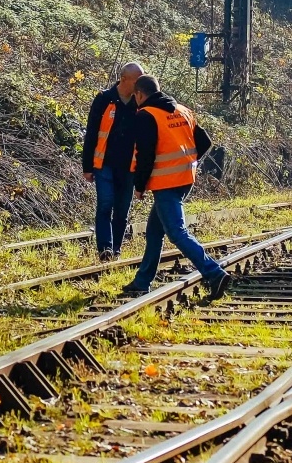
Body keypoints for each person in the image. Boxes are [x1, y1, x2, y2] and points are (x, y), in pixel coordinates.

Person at [123, 75, 232, 297]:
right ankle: (142, 281)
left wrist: (139, 185)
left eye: (136, 96)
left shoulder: (146, 115)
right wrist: (185, 163)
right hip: (184, 179)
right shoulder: (181, 110)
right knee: (154, 231)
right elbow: (204, 142)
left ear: (140, 94)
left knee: (177, 232)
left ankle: (214, 273)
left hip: (166, 182)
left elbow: (146, 154)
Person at [81, 61, 144, 260]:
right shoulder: (104, 99)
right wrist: (87, 166)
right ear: (124, 79)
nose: (140, 84)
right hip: (104, 165)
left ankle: (116, 250)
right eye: (137, 80)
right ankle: (105, 250)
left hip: (129, 167)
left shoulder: (141, 102)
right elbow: (91, 133)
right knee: (105, 205)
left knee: (122, 210)